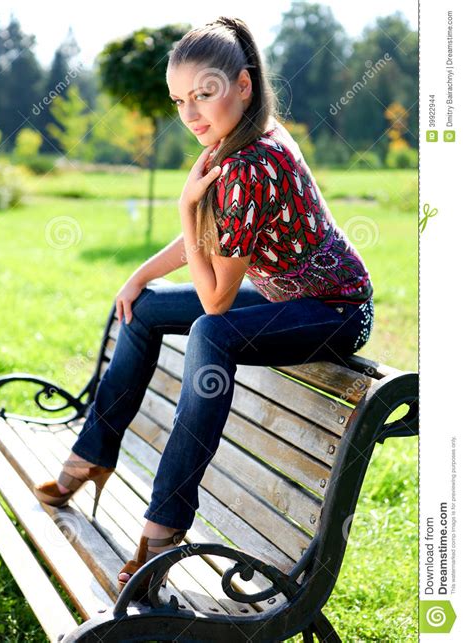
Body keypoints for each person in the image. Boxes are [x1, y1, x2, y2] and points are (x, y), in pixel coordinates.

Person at [34, 15, 374, 601]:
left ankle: (163, 532)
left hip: (334, 309)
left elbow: (215, 298)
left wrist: (184, 209)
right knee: (144, 311)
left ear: (243, 84)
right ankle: (91, 456)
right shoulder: (232, 141)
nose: (190, 113)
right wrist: (140, 275)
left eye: (204, 94)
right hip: (283, 296)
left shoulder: (252, 162)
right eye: (180, 100)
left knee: (208, 334)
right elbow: (212, 238)